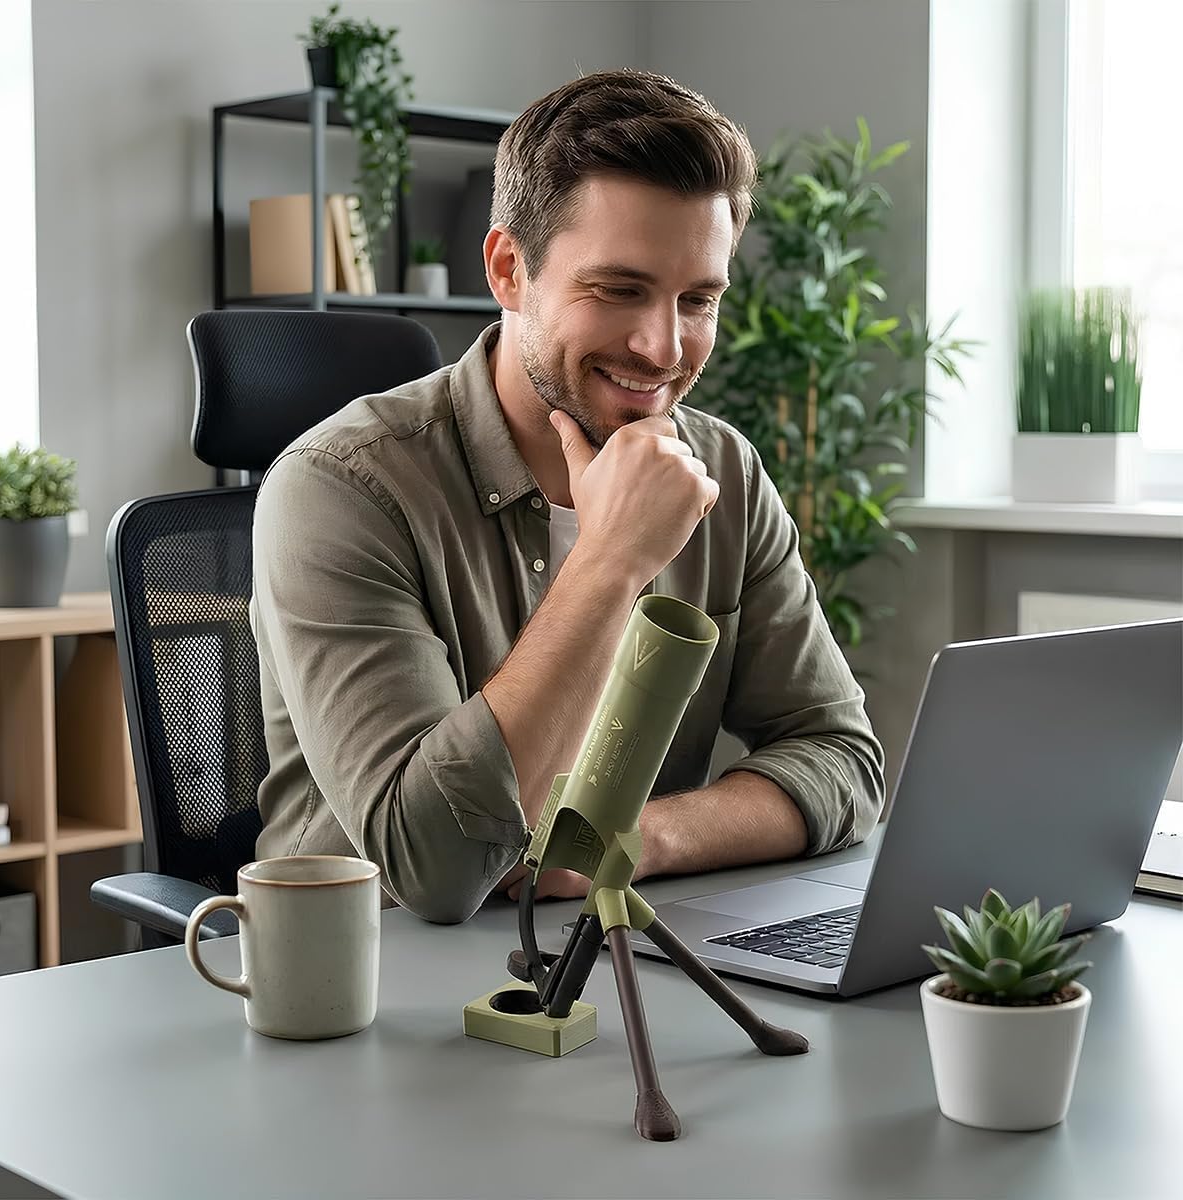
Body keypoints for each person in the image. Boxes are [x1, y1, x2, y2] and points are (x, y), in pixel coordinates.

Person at [250, 69, 885, 923]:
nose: (664, 348)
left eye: (698, 299)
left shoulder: (722, 472)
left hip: (617, 963)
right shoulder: (340, 488)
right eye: (619, 289)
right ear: (510, 269)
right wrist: (610, 558)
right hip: (380, 985)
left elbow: (843, 759)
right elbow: (432, 867)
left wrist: (629, 844)